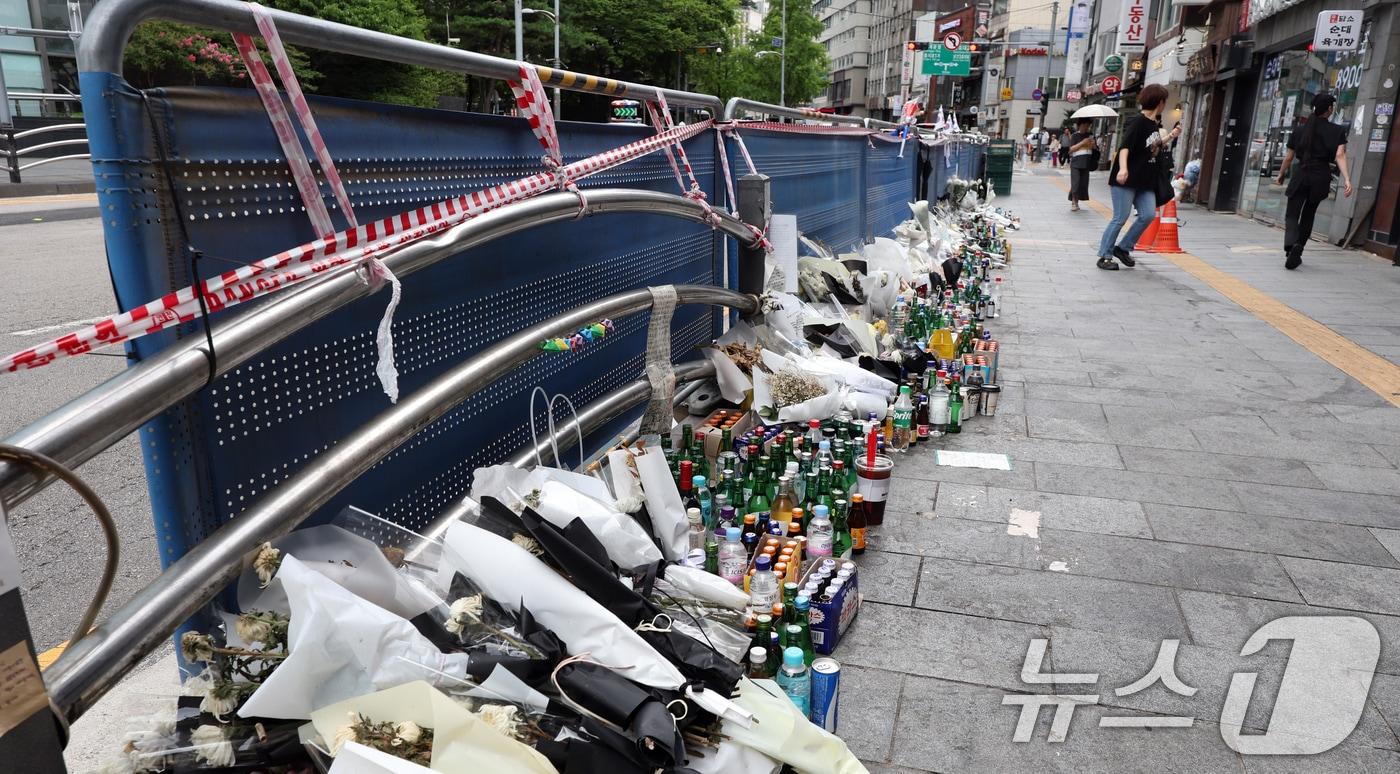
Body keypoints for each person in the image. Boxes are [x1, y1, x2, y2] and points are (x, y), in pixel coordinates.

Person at [1095, 84, 1181, 270]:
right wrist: (1123, 169)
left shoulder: (1152, 124)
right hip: (1127, 179)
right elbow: (1125, 147)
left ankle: (1123, 248)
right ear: (1159, 102)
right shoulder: (1138, 122)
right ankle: (1105, 256)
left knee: (1148, 214)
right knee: (1120, 217)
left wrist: (1170, 137)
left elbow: (1152, 146)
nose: (1164, 104)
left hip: (1145, 180)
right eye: (1164, 101)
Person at [1274, 93, 1353, 270]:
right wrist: (1347, 178)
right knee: (1309, 214)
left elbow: (1288, 157)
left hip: (1302, 173)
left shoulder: (1300, 129)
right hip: (1321, 176)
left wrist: (1280, 174)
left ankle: (1291, 245)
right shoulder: (1338, 131)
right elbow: (1340, 155)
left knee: (1292, 214)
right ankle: (1298, 248)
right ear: (1330, 110)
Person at [1067, 118, 1097, 211]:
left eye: (1088, 125)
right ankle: (1073, 202)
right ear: (1080, 125)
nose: (1087, 127)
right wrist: (1082, 142)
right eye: (1085, 125)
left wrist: (1093, 144)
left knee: (1082, 184)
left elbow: (1095, 149)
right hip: (1076, 163)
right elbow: (1071, 150)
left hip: (1086, 163)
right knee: (1075, 183)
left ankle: (1076, 201)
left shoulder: (1090, 135)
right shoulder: (1075, 136)